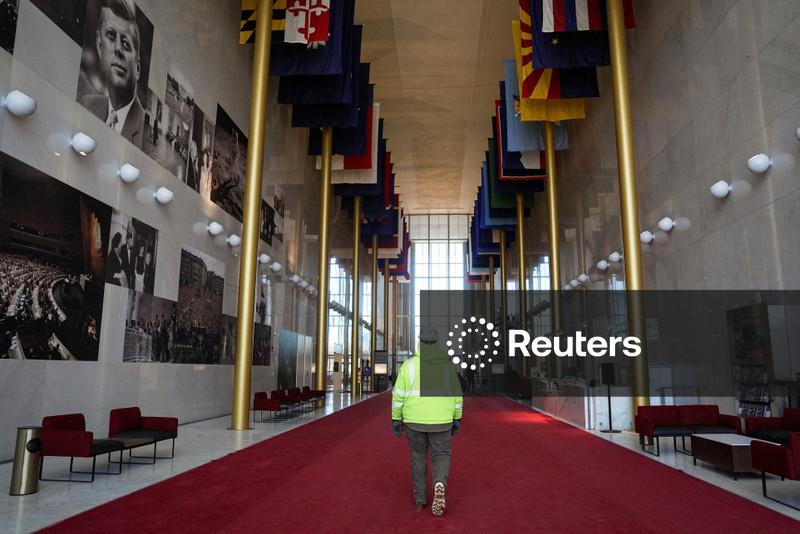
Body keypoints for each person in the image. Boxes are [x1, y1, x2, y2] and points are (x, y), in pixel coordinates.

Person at [392, 326, 463, 516]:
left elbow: (398, 395)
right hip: (442, 420)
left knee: (418, 458)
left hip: (414, 421)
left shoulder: (408, 366)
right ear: (436, 341)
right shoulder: (447, 366)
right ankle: (439, 483)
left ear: (419, 341)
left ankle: (420, 500)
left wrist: (396, 419)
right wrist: (457, 418)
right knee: (441, 455)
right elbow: (457, 395)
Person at [80, 0, 145, 147]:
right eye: (110, 35)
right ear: (99, 45)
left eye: (126, 44)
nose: (118, 49)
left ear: (138, 69)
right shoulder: (87, 104)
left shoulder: (144, 131)